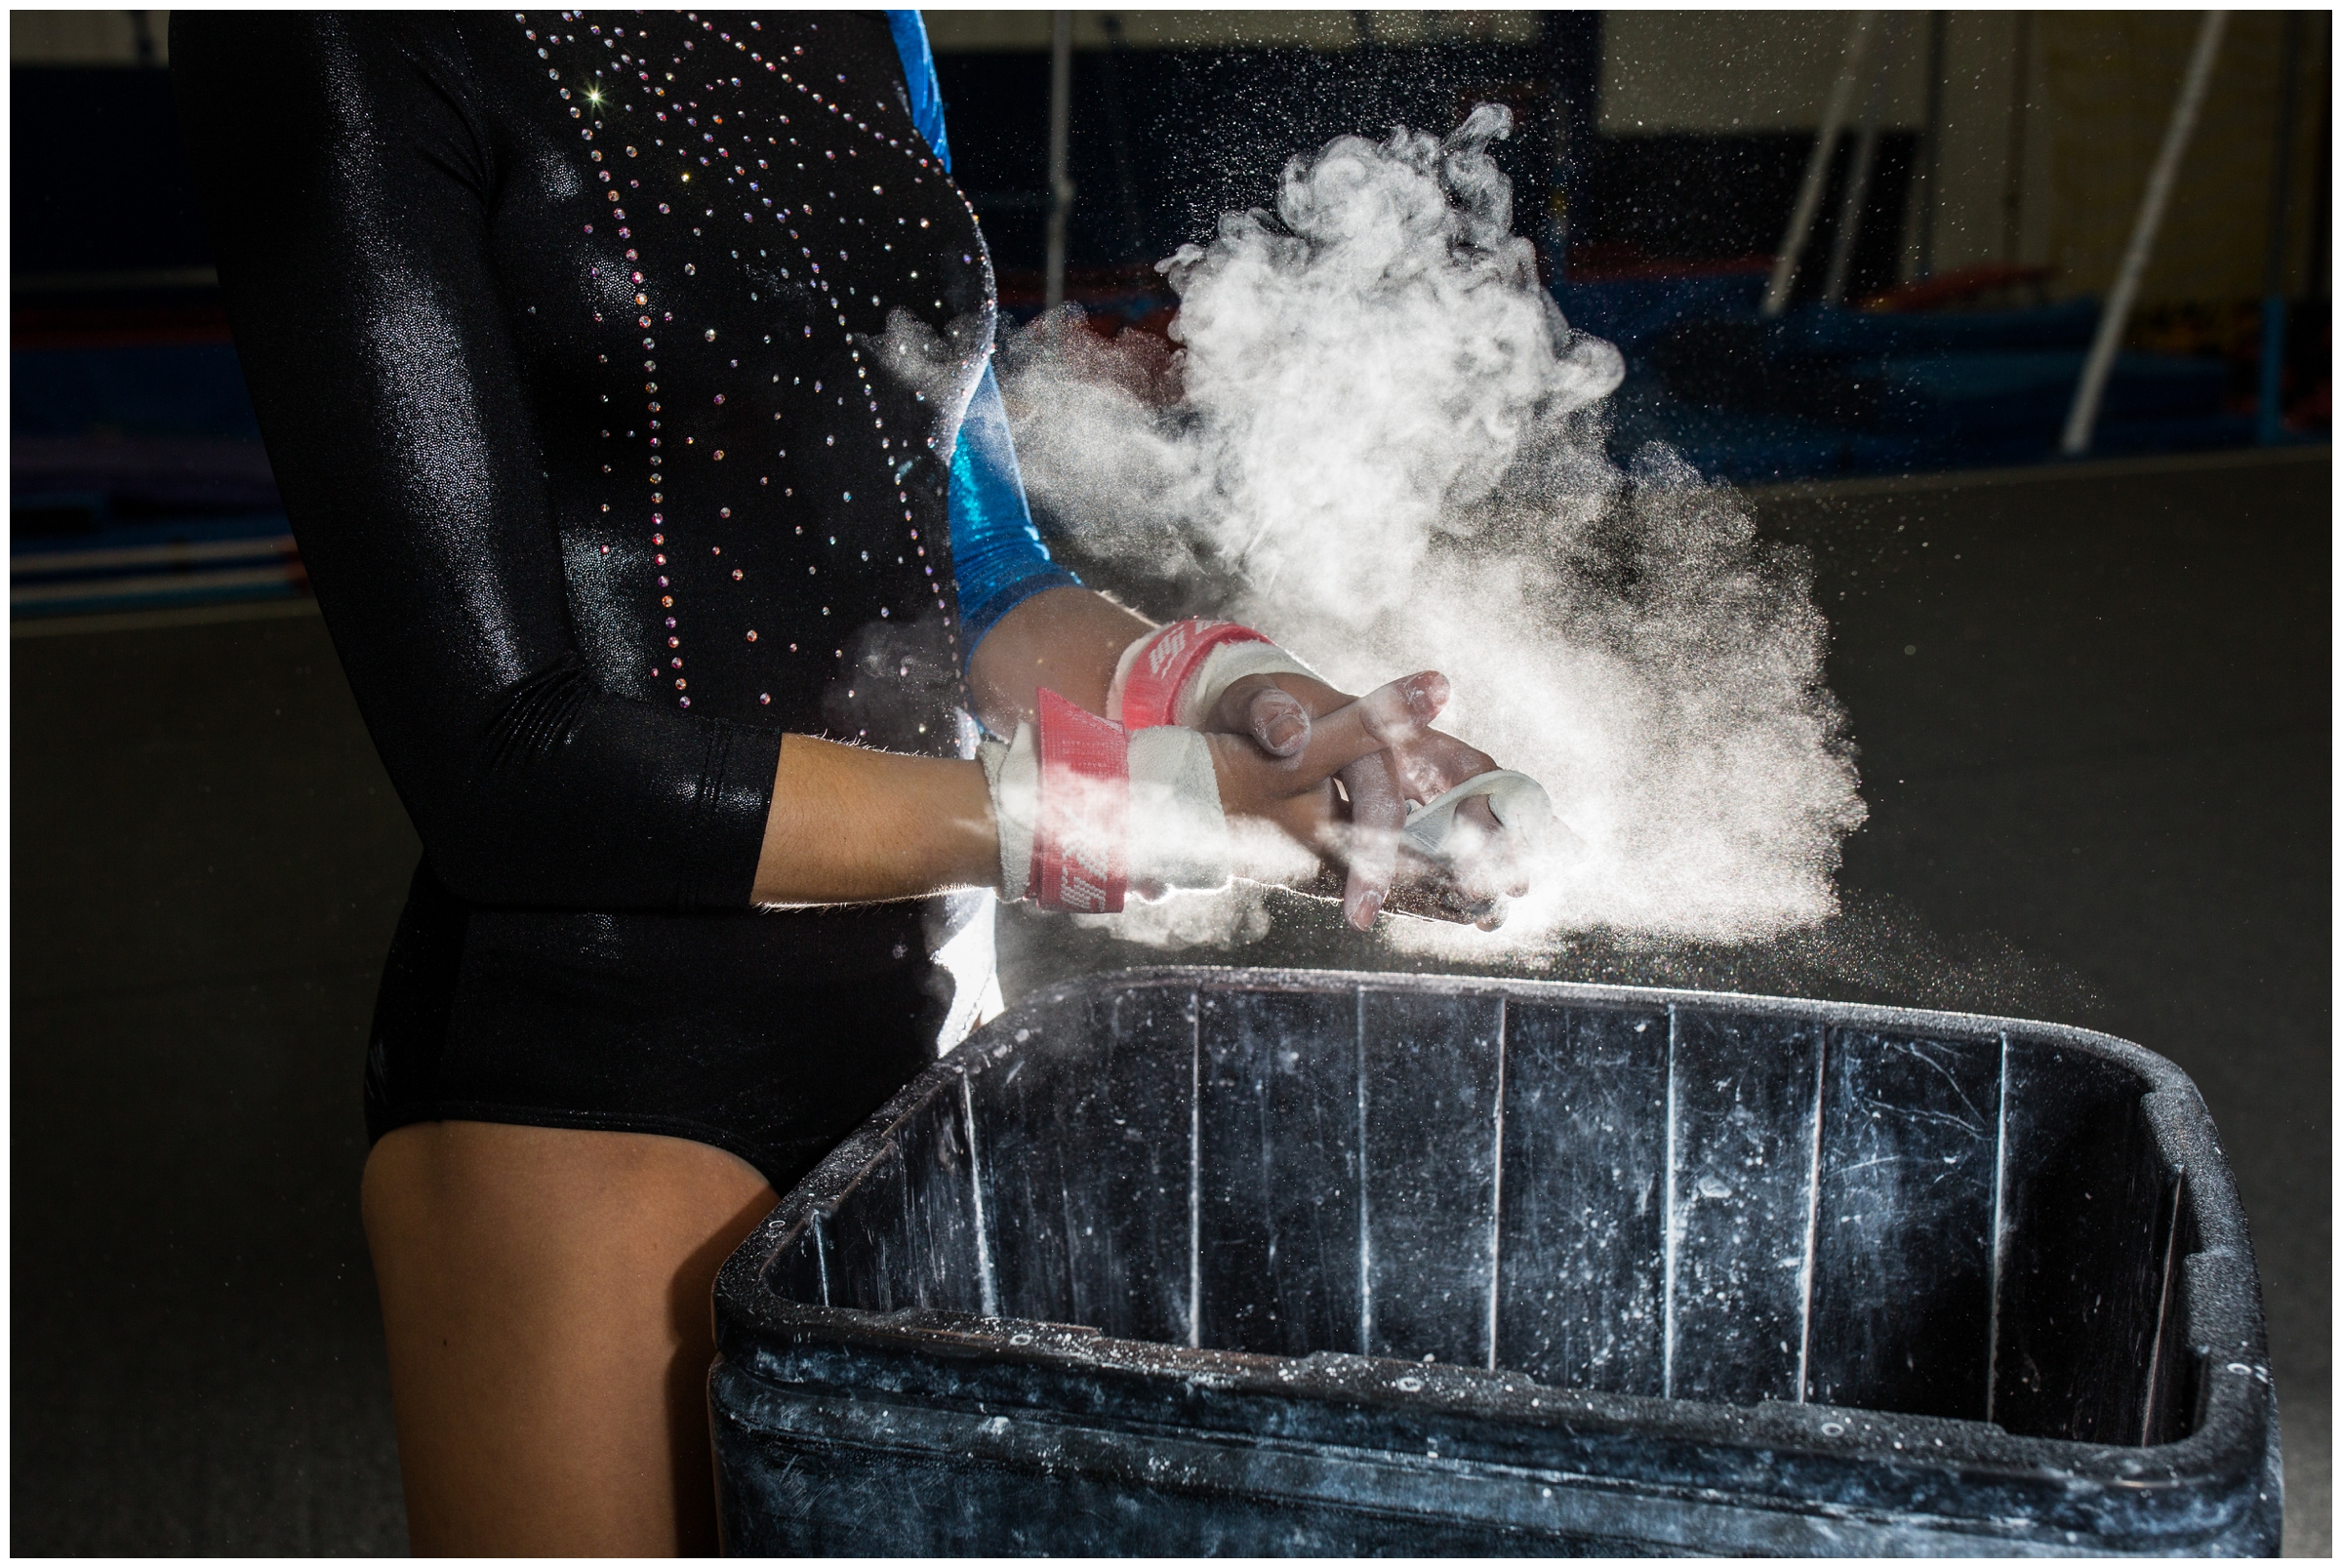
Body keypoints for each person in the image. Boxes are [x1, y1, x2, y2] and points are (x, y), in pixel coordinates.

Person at [174, 11, 1543, 1554]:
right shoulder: (329, 34)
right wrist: (1167, 805)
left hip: (935, 1035)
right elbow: (508, 768)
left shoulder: (863, 15)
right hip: (608, 1066)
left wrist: (1260, 706)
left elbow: (967, 562)